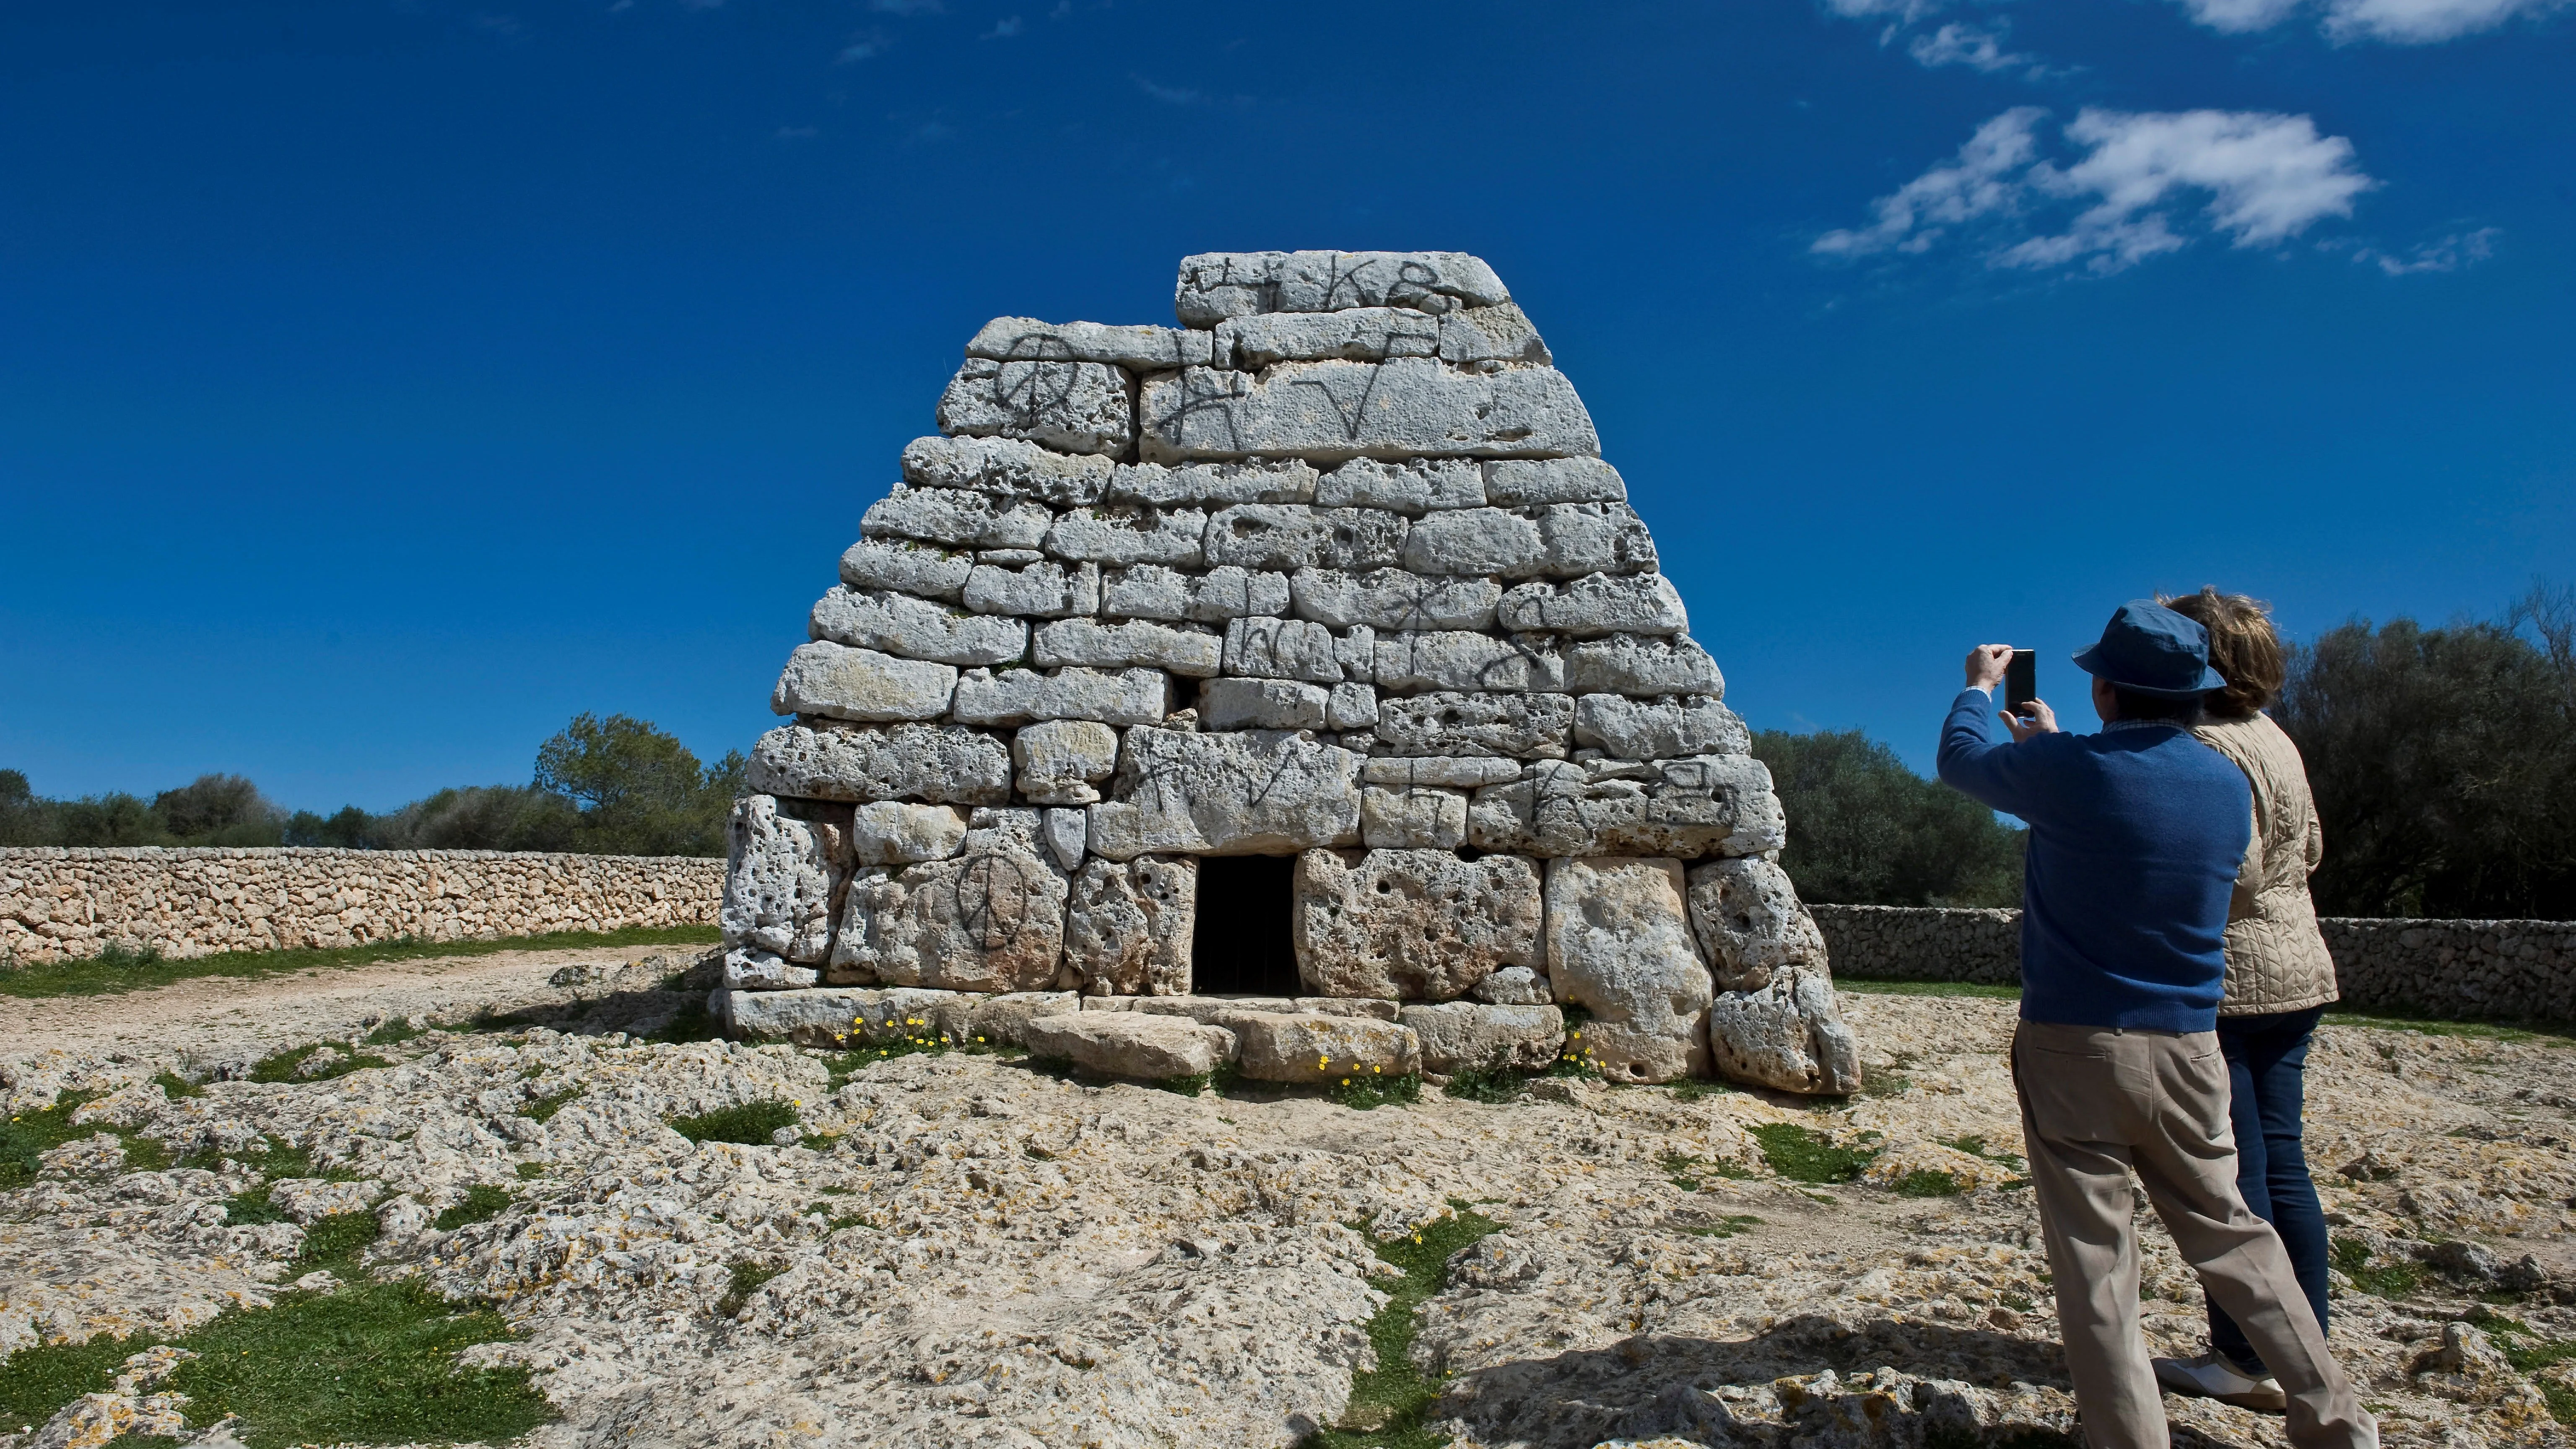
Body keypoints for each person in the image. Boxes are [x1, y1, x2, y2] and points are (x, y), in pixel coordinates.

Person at [1938, 601, 2376, 1449]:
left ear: (2103, 689)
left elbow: (1961, 760)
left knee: (2098, 1265)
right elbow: (2136, 808)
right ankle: (2337, 1424)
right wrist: (2059, 752)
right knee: (2239, 1239)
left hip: (2074, 1043)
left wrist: (1980, 689)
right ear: (2192, 694)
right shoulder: (2223, 789)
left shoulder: (2071, 771)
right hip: (2188, 1046)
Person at [2149, 587, 2342, 1412]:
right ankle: (2305, 1345)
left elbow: (2236, 872)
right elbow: (2314, 848)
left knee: (2232, 1187)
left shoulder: (2202, 746)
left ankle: (2245, 1357)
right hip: (2299, 972)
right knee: (2284, 1168)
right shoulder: (2275, 738)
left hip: (2229, 983)